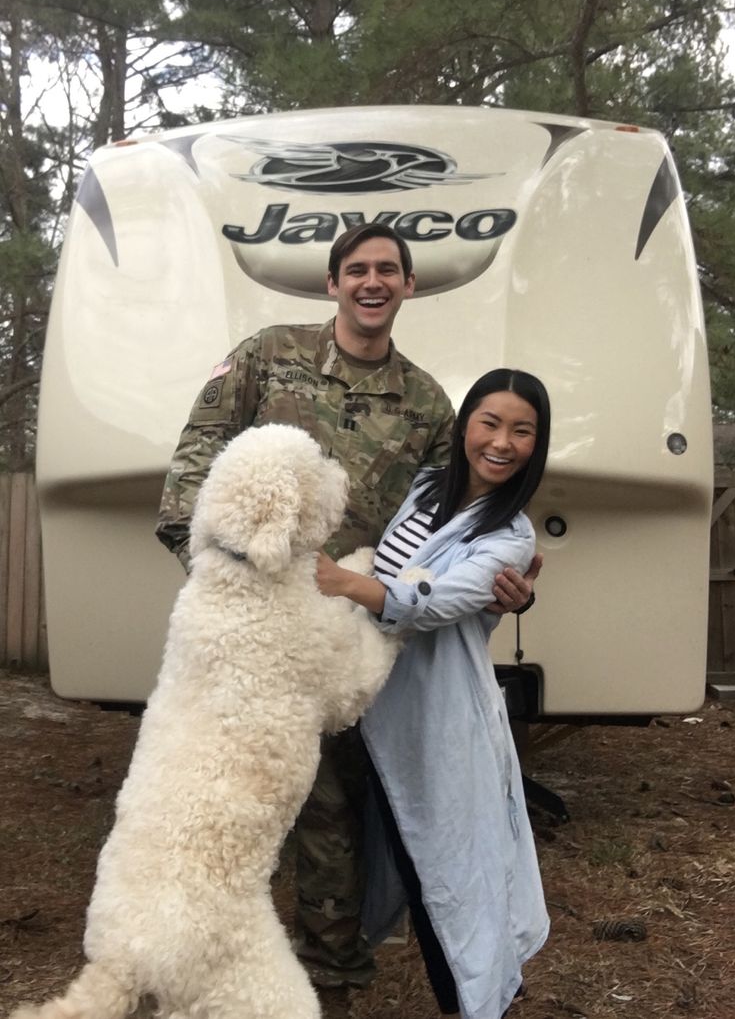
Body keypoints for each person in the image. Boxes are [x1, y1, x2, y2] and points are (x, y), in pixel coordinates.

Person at [155, 224, 540, 1013]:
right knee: (221, 803)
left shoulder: (432, 404)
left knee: (338, 814)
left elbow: (458, 521)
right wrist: (223, 583)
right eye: (357, 269)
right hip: (251, 629)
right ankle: (193, 962)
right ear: (332, 283)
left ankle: (330, 984)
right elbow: (195, 463)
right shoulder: (267, 356)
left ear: (406, 287)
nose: (373, 282)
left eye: (388, 271)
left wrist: (501, 587)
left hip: (349, 643)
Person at [315, 368, 551, 1019]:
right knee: (401, 857)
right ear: (465, 425)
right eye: (490, 423)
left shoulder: (512, 534)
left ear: (538, 443)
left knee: (449, 874)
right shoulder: (421, 491)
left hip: (444, 722)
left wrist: (339, 581)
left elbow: (435, 602)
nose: (502, 442)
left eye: (522, 430)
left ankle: (482, 1002)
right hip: (378, 709)